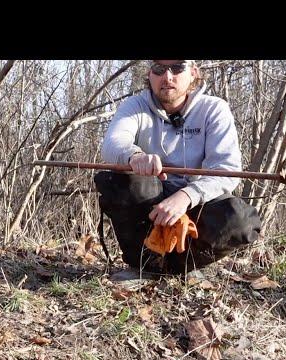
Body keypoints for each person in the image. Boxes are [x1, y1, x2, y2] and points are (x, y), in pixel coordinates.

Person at [95, 60, 261, 275]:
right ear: (150, 75)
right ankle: (145, 265)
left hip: (196, 201)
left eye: (177, 68)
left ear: (193, 73)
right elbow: (112, 144)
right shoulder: (135, 106)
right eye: (159, 69)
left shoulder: (214, 109)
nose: (167, 76)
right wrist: (134, 156)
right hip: (150, 199)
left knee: (240, 219)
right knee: (123, 181)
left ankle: (182, 267)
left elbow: (225, 169)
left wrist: (186, 196)